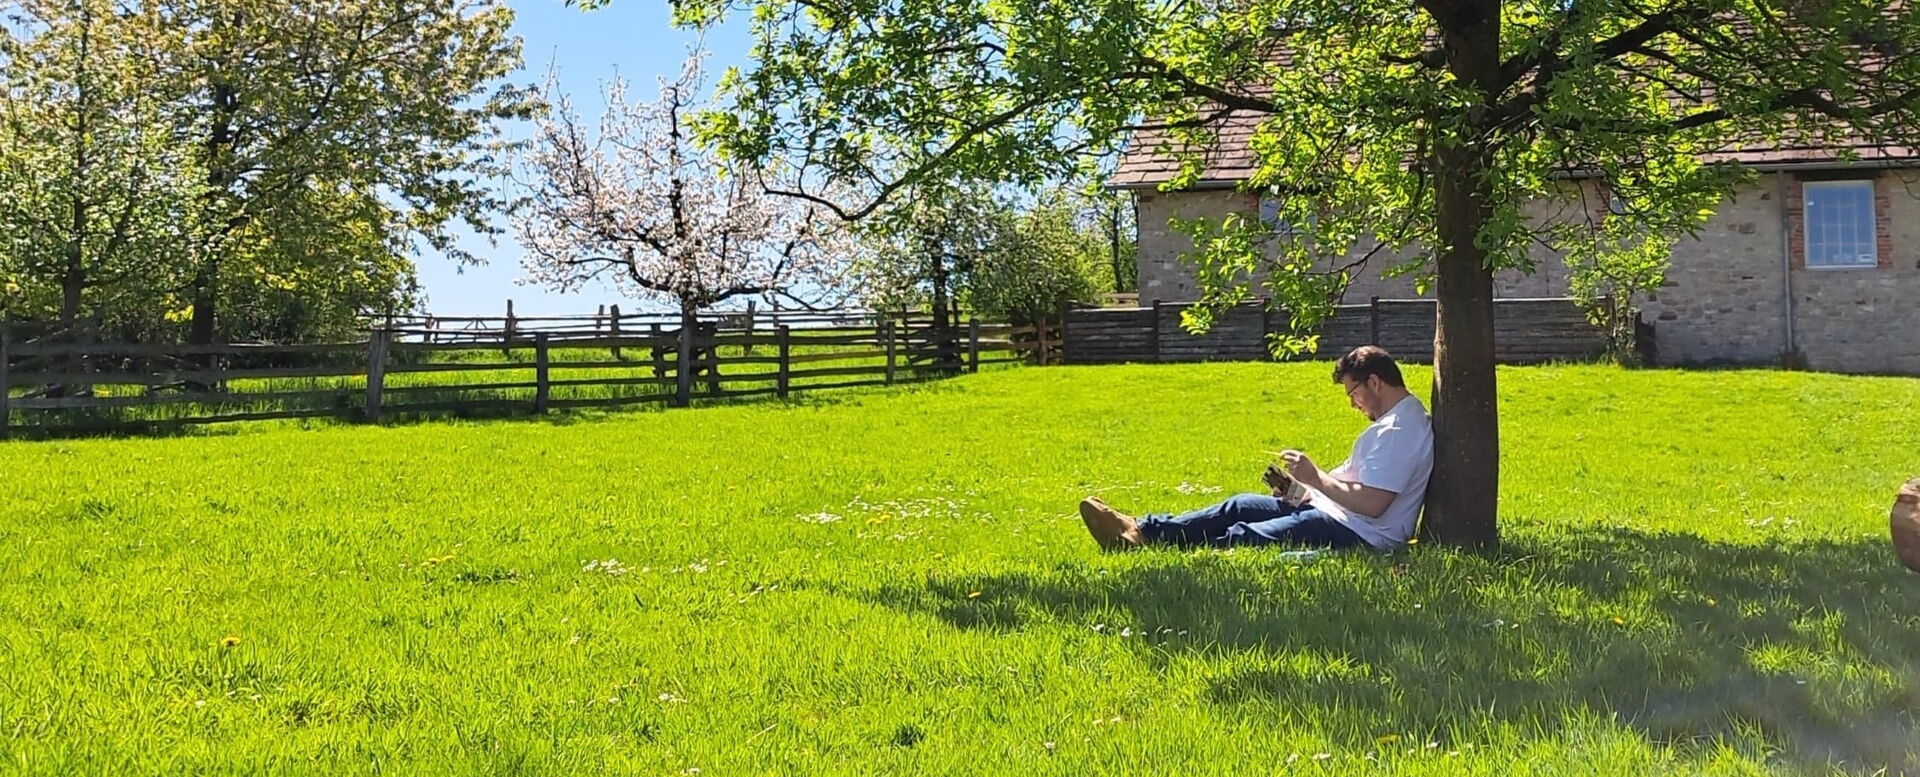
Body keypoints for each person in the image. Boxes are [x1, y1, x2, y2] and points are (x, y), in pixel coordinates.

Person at [1079, 345, 1433, 552]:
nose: (1353, 404)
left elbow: (1373, 504)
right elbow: (1359, 487)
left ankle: (1153, 545)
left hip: (1359, 533)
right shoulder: (1395, 422)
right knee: (1240, 505)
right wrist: (1302, 490)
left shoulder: (1400, 429)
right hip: (1334, 512)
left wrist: (1316, 478)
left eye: (1353, 393)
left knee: (1248, 535)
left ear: (1375, 382)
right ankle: (1140, 529)